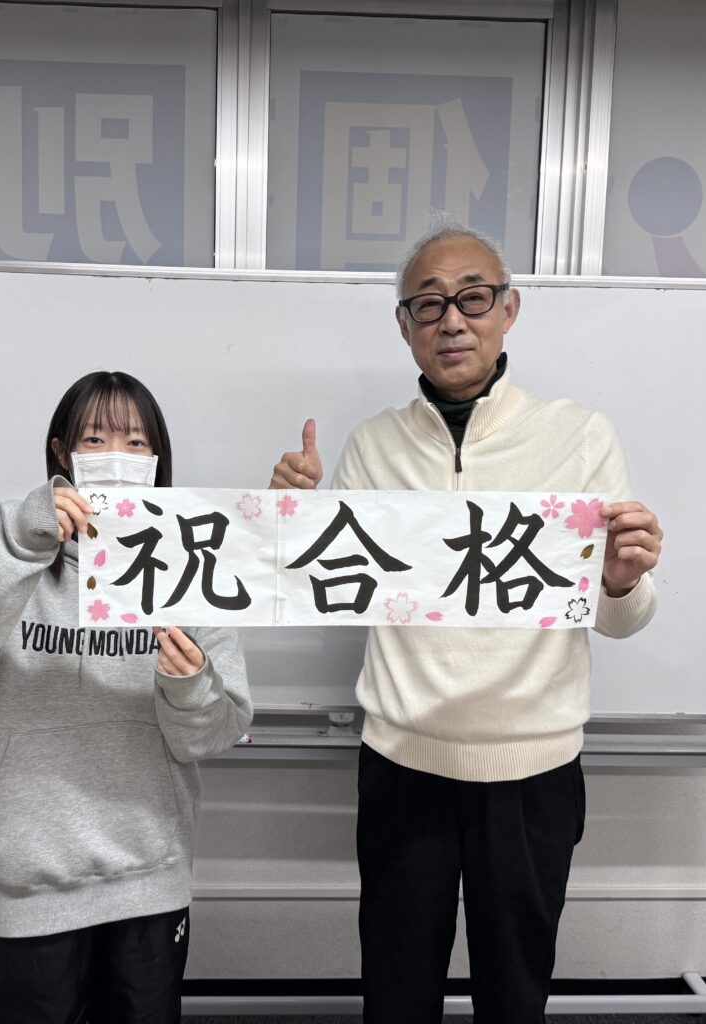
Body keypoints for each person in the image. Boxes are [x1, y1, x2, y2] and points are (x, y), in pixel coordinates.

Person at [270, 214, 663, 1023]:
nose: (451, 320)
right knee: (396, 990)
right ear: (404, 326)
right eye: (428, 303)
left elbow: (619, 619)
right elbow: (323, 587)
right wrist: (289, 520)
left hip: (532, 767)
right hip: (402, 760)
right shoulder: (372, 445)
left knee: (514, 993)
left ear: (507, 309)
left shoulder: (578, 436)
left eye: (472, 297)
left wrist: (620, 582)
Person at [0, 371, 252, 1024]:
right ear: (62, 453)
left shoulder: (188, 572)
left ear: (158, 459)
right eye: (95, 439)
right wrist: (18, 546)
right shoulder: (9, 566)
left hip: (148, 883)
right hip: (27, 891)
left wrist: (187, 684)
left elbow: (214, 732)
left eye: (136, 442)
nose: (117, 455)